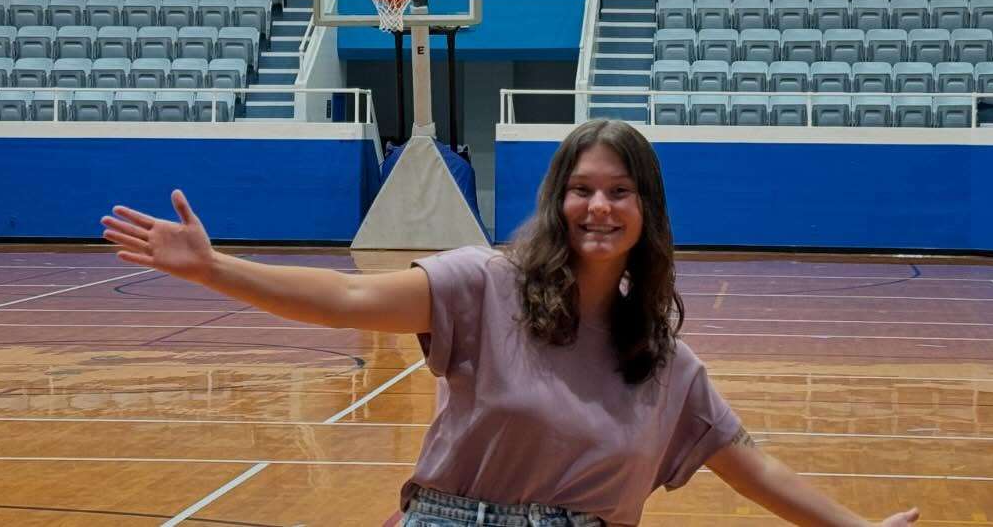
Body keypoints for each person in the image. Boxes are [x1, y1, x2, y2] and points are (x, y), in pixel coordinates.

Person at [101, 119, 921, 527]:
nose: (598, 206)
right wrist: (213, 268)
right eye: (583, 187)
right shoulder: (482, 285)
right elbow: (345, 300)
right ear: (558, 198)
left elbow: (754, 471)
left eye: (620, 191)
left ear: (646, 211)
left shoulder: (668, 365)